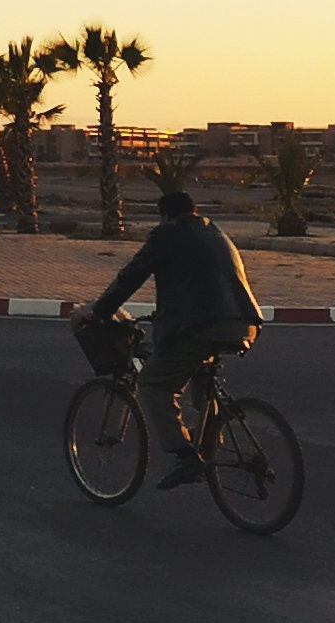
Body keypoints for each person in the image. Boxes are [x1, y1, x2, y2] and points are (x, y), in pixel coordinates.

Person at [87, 188, 265, 489]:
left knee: (154, 383)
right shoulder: (216, 231)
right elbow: (202, 282)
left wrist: (101, 310)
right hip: (245, 322)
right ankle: (211, 442)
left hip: (202, 325)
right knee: (201, 377)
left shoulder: (165, 234)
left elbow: (131, 275)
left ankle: (185, 456)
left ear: (165, 215)